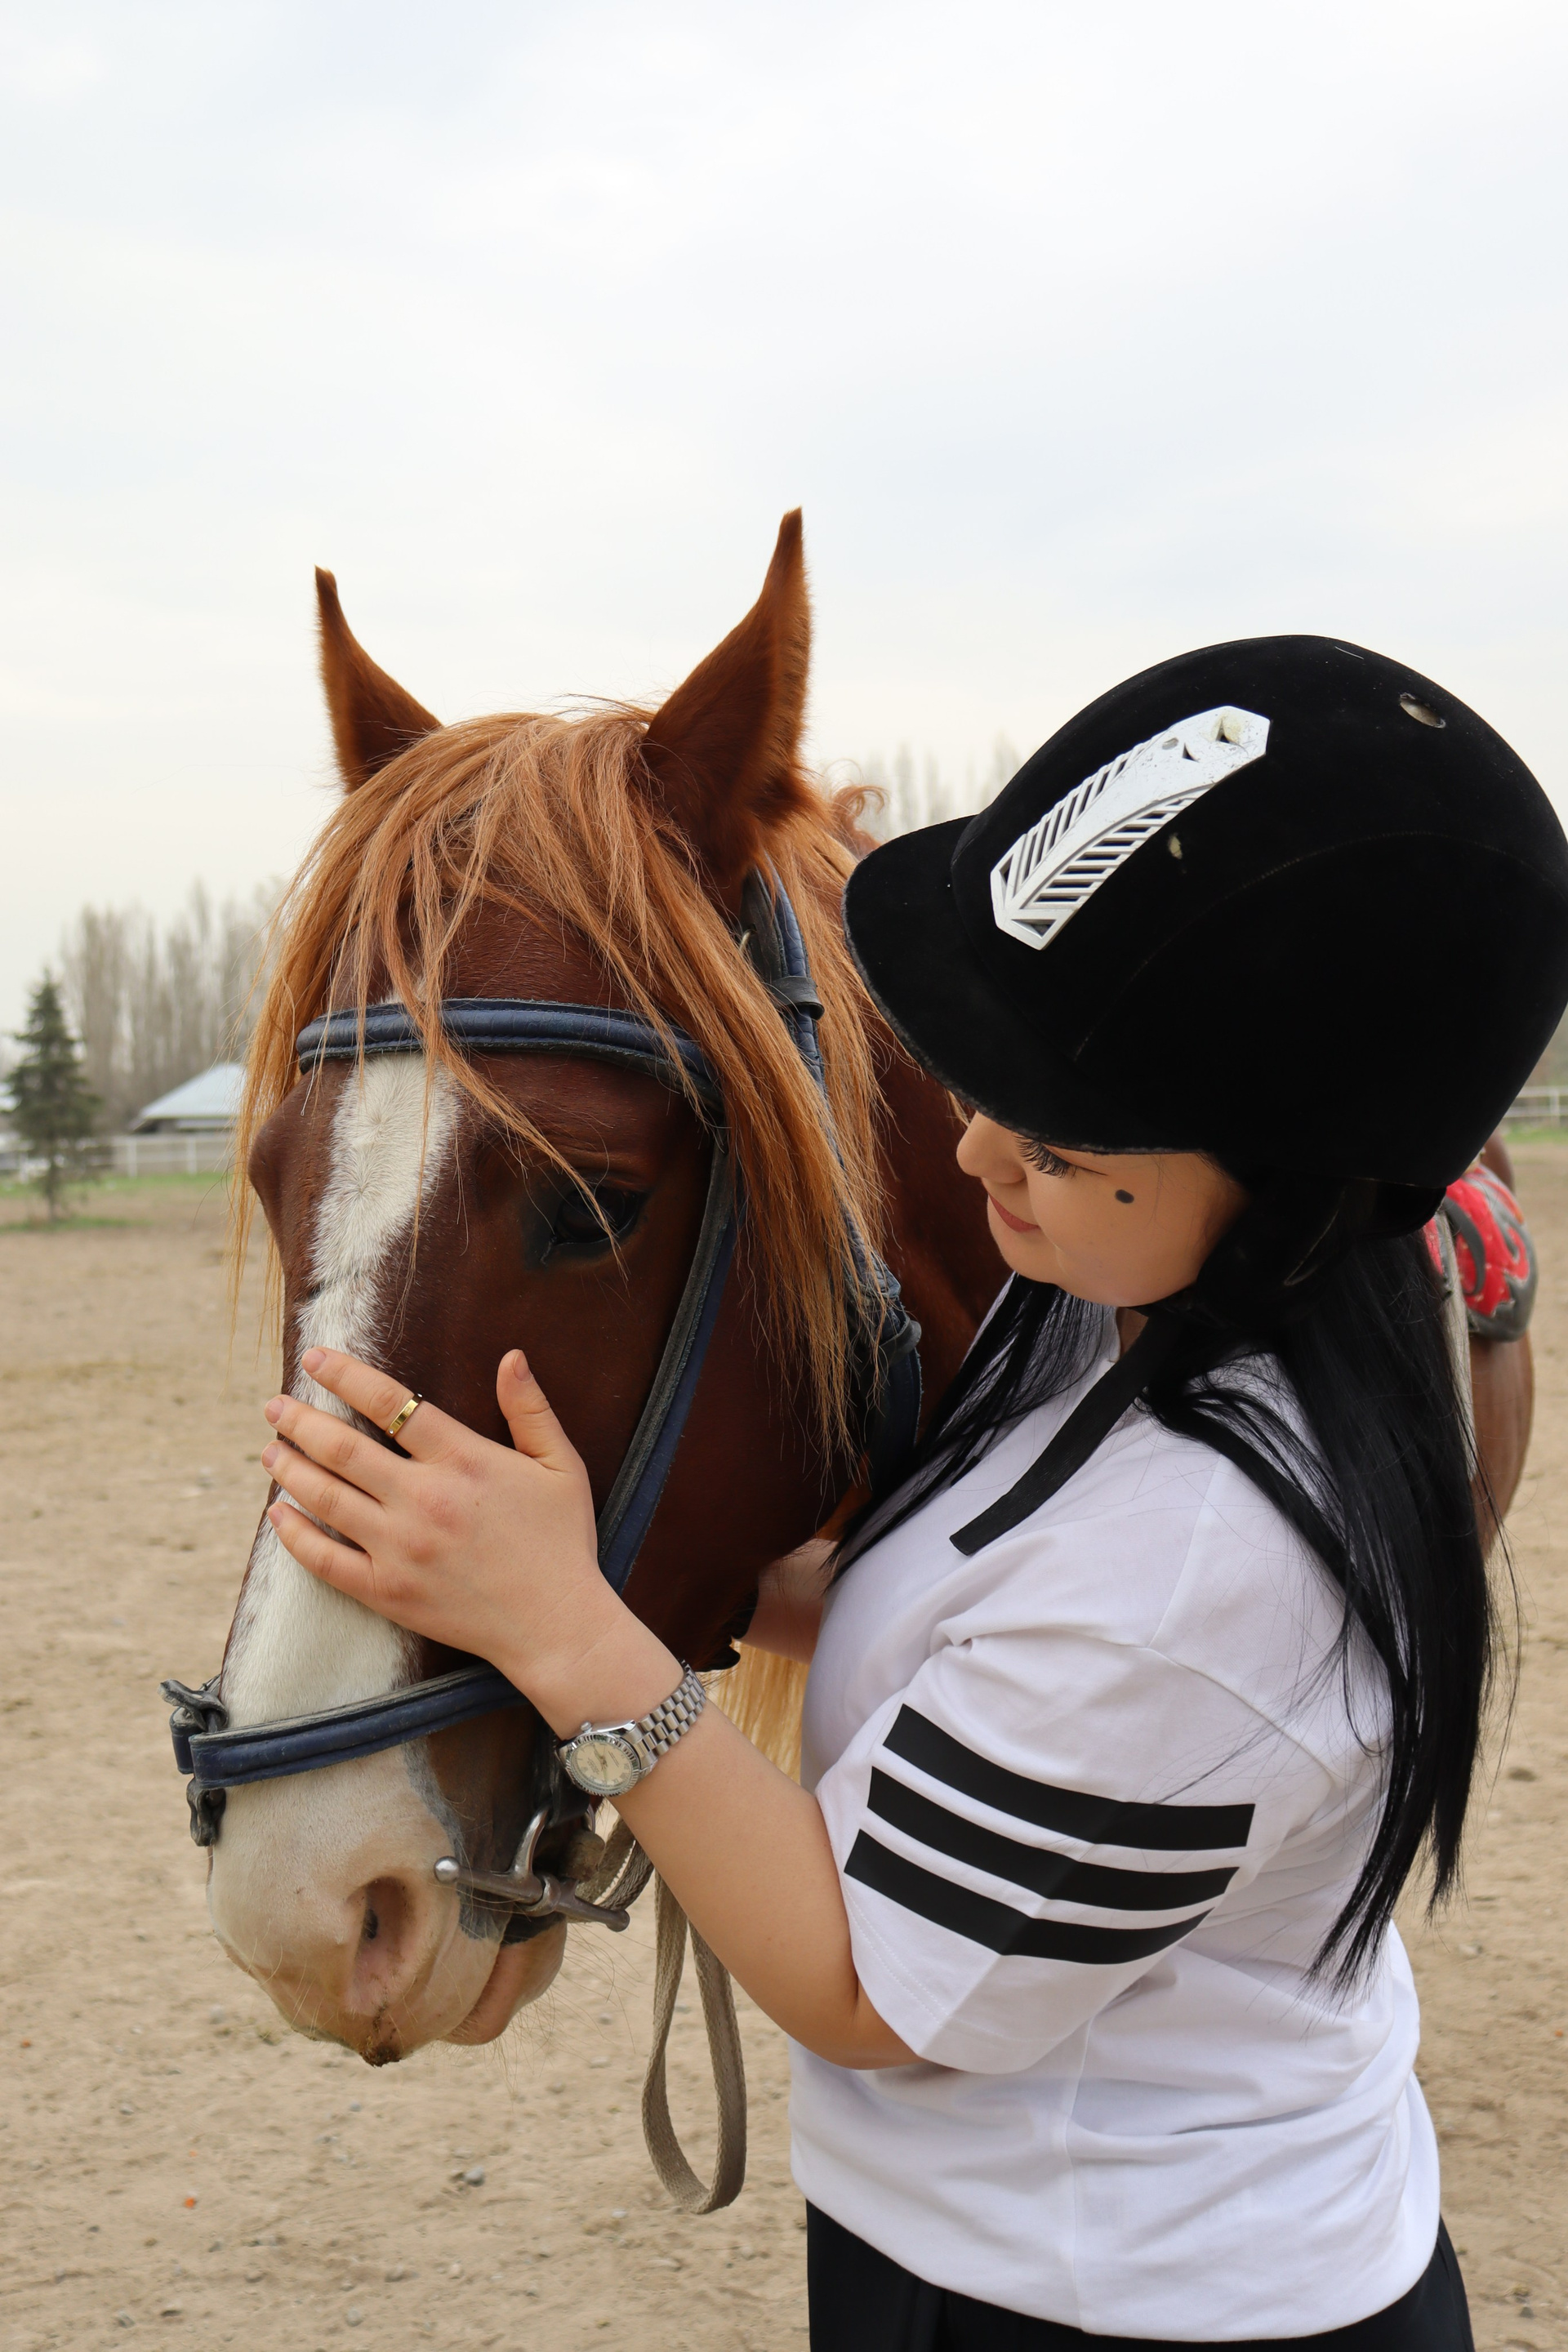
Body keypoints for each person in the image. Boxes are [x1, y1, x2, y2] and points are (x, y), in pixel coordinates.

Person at [255, 637, 1568, 2348]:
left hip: (1128, 2308)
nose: (971, 1155)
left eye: (1061, 1142)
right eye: (984, 1086)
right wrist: (662, 1576)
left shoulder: (1203, 1566)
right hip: (983, 2251)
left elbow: (869, 1989)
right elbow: (972, 1604)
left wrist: (574, 1640)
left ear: (1290, 1183)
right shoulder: (1104, 1312)